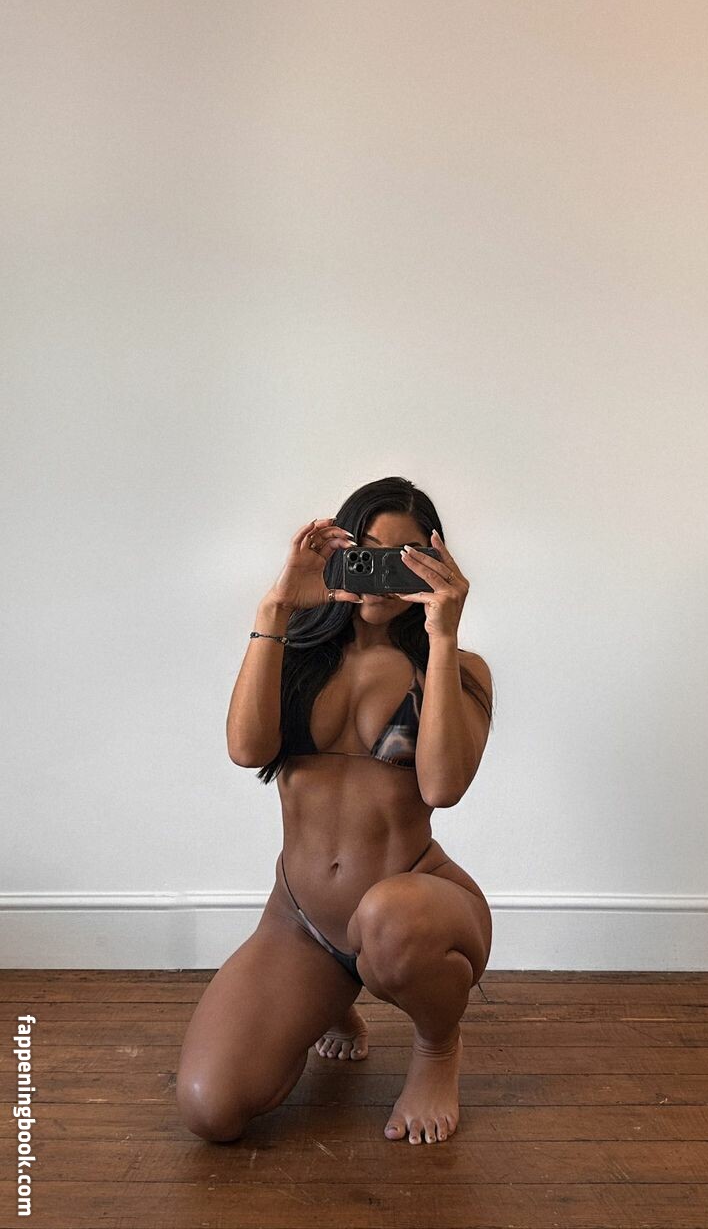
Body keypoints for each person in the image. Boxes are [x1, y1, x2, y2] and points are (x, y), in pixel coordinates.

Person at [176, 476, 494, 1146]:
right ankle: (330, 1000)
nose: (382, 573)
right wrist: (276, 608)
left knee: (386, 917)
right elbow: (246, 749)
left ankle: (437, 1047)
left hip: (416, 911)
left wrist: (442, 636)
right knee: (210, 1108)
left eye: (404, 556)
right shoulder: (293, 655)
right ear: (338, 553)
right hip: (302, 924)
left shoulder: (458, 667)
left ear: (433, 564)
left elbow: (442, 787)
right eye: (366, 551)